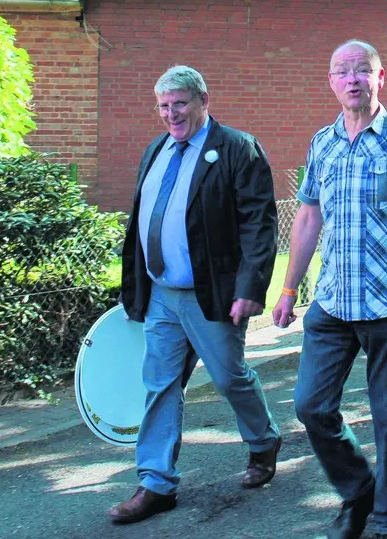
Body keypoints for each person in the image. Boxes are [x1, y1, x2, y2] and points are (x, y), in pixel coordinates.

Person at [272, 41, 387, 539]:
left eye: (361, 71)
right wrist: (289, 287)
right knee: (311, 405)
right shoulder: (322, 142)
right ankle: (358, 490)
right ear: (331, 81)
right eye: (341, 72)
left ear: (379, 78)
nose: (351, 79)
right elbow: (309, 215)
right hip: (332, 301)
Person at [108, 66, 283, 525]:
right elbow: (141, 222)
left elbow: (259, 224)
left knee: (230, 377)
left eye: (180, 103)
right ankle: (155, 483)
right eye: (164, 106)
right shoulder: (156, 150)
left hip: (213, 295)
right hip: (163, 294)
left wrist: (249, 289)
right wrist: (136, 289)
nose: (171, 114)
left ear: (203, 99)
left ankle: (263, 440)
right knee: (160, 385)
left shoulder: (236, 148)